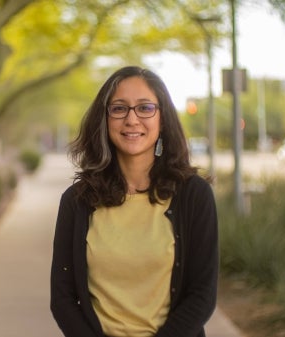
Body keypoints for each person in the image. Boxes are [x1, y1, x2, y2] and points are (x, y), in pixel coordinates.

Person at [50, 66, 218, 337]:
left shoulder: (193, 195)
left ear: (162, 119)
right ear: (104, 119)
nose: (131, 119)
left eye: (145, 108)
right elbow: (63, 299)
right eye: (119, 109)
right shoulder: (77, 201)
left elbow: (202, 296)